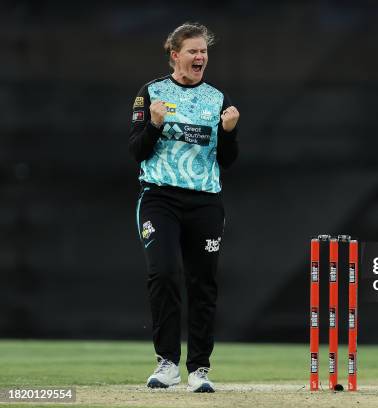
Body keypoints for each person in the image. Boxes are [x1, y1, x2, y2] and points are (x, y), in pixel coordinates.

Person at [128, 22, 239, 393]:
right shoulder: (151, 93)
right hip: (159, 197)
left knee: (202, 283)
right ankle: (167, 364)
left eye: (203, 52)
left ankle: (200, 370)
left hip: (204, 201)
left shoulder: (216, 98)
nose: (200, 57)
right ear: (175, 55)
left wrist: (228, 133)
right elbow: (136, 151)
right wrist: (155, 125)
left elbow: (227, 159)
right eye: (192, 51)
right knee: (162, 274)